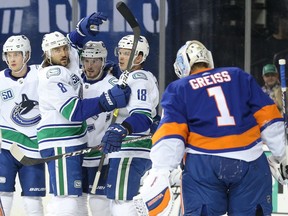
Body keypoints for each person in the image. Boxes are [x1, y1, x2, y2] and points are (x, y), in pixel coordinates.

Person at [138, 40, 288, 215]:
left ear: (181, 67)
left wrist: (160, 171)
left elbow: (171, 134)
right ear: (208, 58)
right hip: (249, 161)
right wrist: (283, 154)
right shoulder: (238, 76)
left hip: (203, 164)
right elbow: (269, 118)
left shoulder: (179, 88)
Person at [37, 16, 131, 216]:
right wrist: (106, 100)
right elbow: (74, 111)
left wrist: (81, 29)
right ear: (47, 54)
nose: (63, 52)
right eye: (57, 50)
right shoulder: (52, 75)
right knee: (67, 202)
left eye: (63, 48)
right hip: (59, 139)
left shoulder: (67, 65)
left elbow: (73, 43)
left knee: (77, 201)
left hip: (75, 140)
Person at [100, 35, 159, 215]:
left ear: (140, 57)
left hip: (130, 149)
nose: (121, 57)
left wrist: (122, 128)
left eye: (128, 53)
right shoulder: (137, 76)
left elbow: (142, 116)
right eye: (121, 52)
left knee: (122, 203)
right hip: (132, 149)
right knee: (122, 201)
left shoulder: (138, 78)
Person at [0, 35, 46, 216]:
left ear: (26, 55)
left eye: (17, 54)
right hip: (7, 149)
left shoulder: (41, 74)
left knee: (33, 201)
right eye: (9, 54)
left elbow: (66, 67)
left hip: (34, 150)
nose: (12, 59)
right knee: (3, 195)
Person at [80, 40, 118, 216]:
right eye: (86, 60)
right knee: (75, 202)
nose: (90, 65)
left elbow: (125, 114)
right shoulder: (75, 81)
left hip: (102, 154)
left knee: (99, 204)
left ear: (103, 61)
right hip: (78, 153)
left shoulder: (112, 85)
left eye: (95, 61)